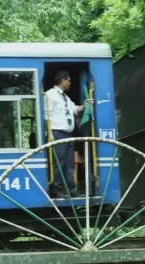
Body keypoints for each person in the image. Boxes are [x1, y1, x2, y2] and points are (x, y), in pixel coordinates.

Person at [44, 70, 92, 198]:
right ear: (63, 80)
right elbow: (46, 114)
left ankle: (71, 189)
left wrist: (85, 105)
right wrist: (50, 133)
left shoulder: (65, 97)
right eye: (69, 80)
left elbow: (74, 109)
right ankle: (56, 189)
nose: (70, 83)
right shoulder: (50, 95)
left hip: (68, 135)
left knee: (70, 163)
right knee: (59, 162)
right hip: (57, 133)